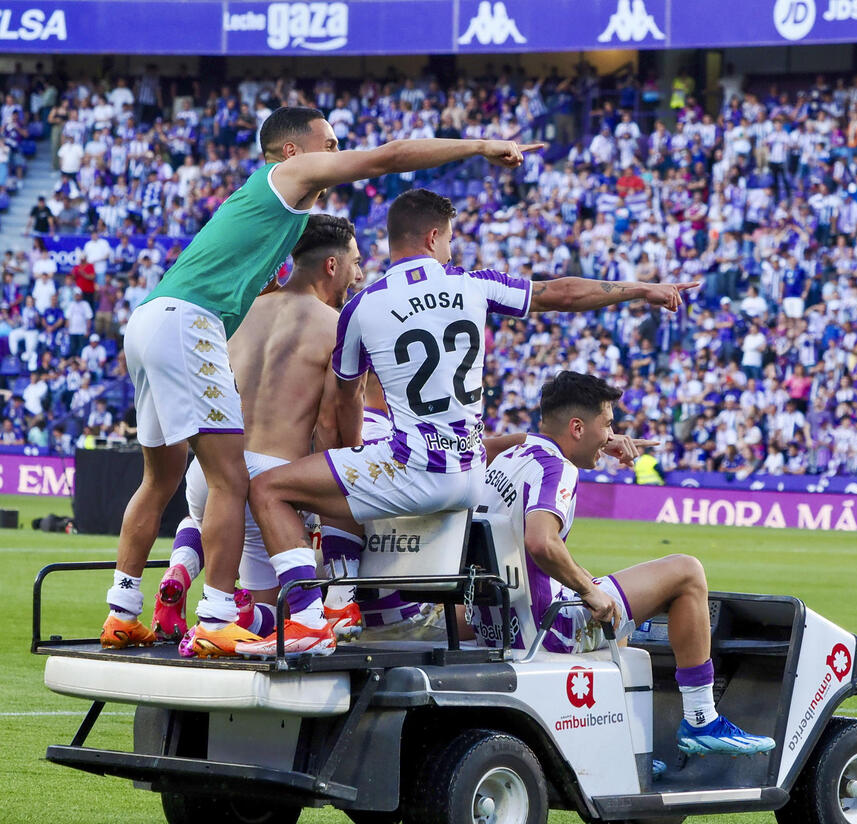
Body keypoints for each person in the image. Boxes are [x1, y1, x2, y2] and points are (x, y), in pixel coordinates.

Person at [100, 105, 542, 653]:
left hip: (151, 319)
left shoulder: (277, 224)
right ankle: (215, 618)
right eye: (329, 145)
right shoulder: (287, 179)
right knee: (233, 481)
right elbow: (389, 157)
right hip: (189, 324)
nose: (336, 157)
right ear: (292, 152)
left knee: (161, 479)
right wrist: (478, 145)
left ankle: (122, 609)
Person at [236, 189, 698, 658]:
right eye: (450, 239)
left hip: (412, 469)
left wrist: (343, 459)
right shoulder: (474, 285)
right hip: (468, 475)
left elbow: (340, 406)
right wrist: (642, 290)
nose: (451, 248)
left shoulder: (362, 307)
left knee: (269, 488)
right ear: (434, 237)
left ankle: (314, 617)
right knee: (342, 475)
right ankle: (343, 609)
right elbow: (559, 293)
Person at [469, 371, 775, 755]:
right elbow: (541, 541)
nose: (612, 435)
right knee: (686, 572)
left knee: (615, 608)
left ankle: (625, 750)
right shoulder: (556, 468)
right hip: (547, 630)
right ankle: (701, 719)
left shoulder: (508, 457)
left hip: (498, 627)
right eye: (608, 424)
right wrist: (588, 590)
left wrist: (599, 443)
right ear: (577, 427)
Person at [151, 215, 365, 654]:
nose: (357, 273)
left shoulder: (245, 309)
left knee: (200, 514)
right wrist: (340, 473)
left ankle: (181, 570)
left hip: (211, 471)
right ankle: (333, 606)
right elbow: (328, 425)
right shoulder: (337, 325)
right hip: (268, 480)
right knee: (272, 612)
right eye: (355, 262)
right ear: (331, 266)